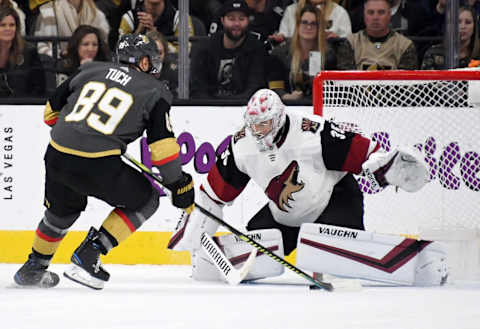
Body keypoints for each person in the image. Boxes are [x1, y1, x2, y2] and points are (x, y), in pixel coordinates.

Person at [168, 88, 447, 287]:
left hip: (335, 201)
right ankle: (322, 252)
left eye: (264, 124)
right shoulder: (241, 146)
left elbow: (365, 152)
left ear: (277, 119)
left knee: (328, 259)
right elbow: (214, 195)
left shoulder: (314, 132)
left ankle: (412, 264)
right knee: (238, 257)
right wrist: (195, 237)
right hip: (284, 215)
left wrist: (385, 167)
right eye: (253, 124)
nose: (258, 131)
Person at [13, 33, 195, 290]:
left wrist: (84, 132)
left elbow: (50, 115)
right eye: (150, 60)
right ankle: (91, 253)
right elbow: (163, 150)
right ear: (142, 63)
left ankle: (34, 267)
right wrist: (178, 183)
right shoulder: (155, 90)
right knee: (147, 199)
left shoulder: (88, 70)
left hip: (57, 154)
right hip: (96, 163)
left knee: (61, 211)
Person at [267, 4, 354, 101]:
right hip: (290, 107)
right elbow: (274, 88)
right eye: (304, 22)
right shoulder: (280, 53)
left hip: (322, 107)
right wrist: (288, 97)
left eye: (314, 23)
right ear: (297, 25)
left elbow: (342, 89)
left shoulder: (331, 54)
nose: (308, 27)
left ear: (320, 27)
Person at [190, 0, 267, 99]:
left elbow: (255, 88)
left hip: (242, 107)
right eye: (231, 19)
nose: (236, 24)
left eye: (241, 19)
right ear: (222, 20)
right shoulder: (205, 47)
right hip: (209, 108)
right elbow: (198, 88)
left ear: (248, 21)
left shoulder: (256, 48)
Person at [336, 0, 417, 70]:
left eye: (381, 12)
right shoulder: (351, 43)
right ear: (364, 15)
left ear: (389, 15)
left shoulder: (404, 45)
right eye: (370, 12)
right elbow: (346, 82)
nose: (375, 17)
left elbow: (406, 83)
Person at [118, 0, 206, 53]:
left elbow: (185, 52)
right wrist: (138, 33)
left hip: (170, 72)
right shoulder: (129, 18)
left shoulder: (181, 19)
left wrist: (155, 36)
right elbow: (120, 52)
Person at [34, 0, 110, 58]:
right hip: (60, 67)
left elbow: (103, 47)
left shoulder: (97, 15)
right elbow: (41, 47)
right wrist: (62, 54)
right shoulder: (48, 12)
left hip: (91, 68)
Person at [0, 7, 45, 97]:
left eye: (12, 25)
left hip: (23, 106)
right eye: (3, 25)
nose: (7, 29)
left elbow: (39, 87)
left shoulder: (29, 52)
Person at [422, 5, 480, 70]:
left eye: (468, 22)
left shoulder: (478, 54)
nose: (463, 26)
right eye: (458, 22)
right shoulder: (433, 53)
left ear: (474, 27)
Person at [272, 0, 352, 43]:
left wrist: (337, 42)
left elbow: (349, 45)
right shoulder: (291, 11)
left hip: (329, 66)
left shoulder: (340, 13)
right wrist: (279, 39)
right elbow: (283, 41)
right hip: (295, 64)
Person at [146, 30, 178, 97]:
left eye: (160, 53)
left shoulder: (173, 73)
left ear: (165, 54)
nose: (156, 57)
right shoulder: (137, 73)